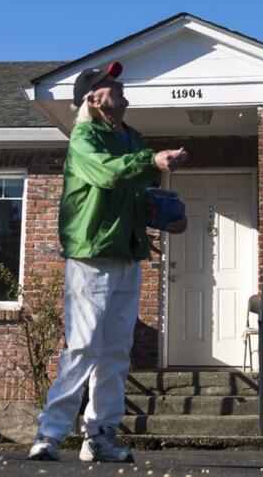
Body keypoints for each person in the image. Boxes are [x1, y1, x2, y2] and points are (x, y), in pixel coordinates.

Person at [29, 60, 188, 463]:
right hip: (91, 256)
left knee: (117, 350)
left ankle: (100, 435)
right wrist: (152, 162)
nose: (118, 86)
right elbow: (108, 175)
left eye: (117, 81)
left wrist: (167, 216)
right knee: (83, 348)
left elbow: (137, 193)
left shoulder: (132, 137)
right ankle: (50, 434)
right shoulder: (84, 137)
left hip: (127, 255)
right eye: (109, 84)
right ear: (93, 100)